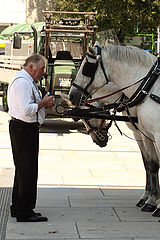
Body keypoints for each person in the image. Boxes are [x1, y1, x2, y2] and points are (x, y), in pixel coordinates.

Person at [7, 54, 54, 222]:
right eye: (41, 69)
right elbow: (27, 109)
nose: (43, 72)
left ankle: (18, 206)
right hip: (23, 129)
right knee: (27, 170)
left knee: (23, 169)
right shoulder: (22, 82)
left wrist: (43, 103)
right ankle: (25, 212)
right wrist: (44, 103)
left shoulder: (27, 81)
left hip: (24, 129)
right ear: (31, 67)